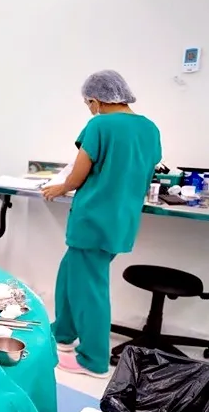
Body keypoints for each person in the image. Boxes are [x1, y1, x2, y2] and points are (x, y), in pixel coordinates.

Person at [42, 70, 161, 378]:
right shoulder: (149, 128)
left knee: (89, 289)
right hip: (121, 219)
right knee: (70, 273)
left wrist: (60, 187)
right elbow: (145, 171)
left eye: (88, 104)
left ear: (95, 100)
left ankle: (93, 360)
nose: (90, 109)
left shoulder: (100, 125)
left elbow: (79, 173)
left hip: (93, 219)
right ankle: (63, 333)